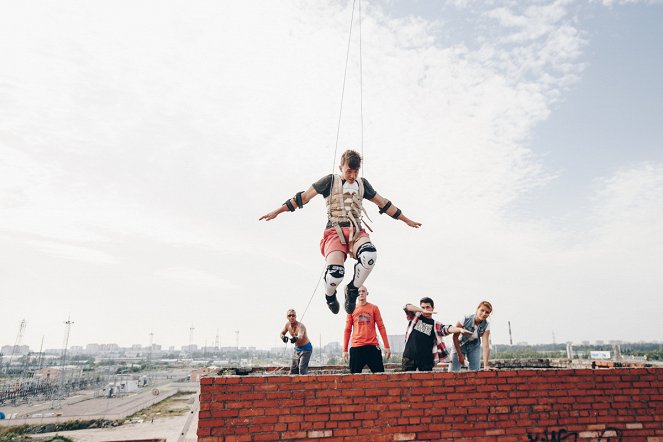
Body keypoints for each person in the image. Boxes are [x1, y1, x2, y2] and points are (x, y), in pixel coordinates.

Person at [260, 149, 421, 315]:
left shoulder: (362, 184)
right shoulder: (329, 181)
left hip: (356, 231)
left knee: (370, 254)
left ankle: (352, 290)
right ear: (340, 168)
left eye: (355, 171)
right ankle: (330, 295)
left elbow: (384, 203)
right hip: (334, 231)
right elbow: (304, 197)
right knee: (336, 274)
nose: (352, 175)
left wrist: (406, 219)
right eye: (348, 171)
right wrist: (277, 211)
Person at [402, 297, 471, 372]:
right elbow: (406, 307)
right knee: (407, 382)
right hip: (409, 357)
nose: (425, 309)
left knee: (426, 383)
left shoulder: (435, 324)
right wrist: (422, 310)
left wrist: (459, 329)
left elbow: (447, 329)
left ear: (432, 308)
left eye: (428, 307)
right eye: (423, 307)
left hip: (426, 360)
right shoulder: (415, 317)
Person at [342, 286, 391, 373]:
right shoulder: (351, 309)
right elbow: (347, 330)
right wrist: (345, 350)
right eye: (359, 291)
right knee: (353, 379)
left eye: (363, 291)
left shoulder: (374, 308)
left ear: (367, 293)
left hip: (372, 346)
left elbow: (381, 327)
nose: (361, 293)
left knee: (380, 376)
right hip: (357, 347)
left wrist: (386, 346)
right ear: (356, 294)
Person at [448, 301, 493, 372]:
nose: (484, 314)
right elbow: (455, 337)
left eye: (487, 312)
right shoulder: (465, 318)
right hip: (459, 345)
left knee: (475, 372)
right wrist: (460, 355)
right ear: (477, 309)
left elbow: (486, 346)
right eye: (482, 310)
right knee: (452, 372)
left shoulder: (486, 325)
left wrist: (486, 365)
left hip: (474, 346)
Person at [279, 309, 312, 375]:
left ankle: (304, 384)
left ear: (295, 316)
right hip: (297, 349)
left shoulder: (300, 326)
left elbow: (300, 336)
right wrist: (283, 337)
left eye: (293, 315)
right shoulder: (287, 325)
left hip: (306, 349)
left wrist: (296, 338)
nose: (291, 317)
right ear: (287, 317)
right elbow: (282, 333)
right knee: (293, 370)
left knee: (302, 369)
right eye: (289, 315)